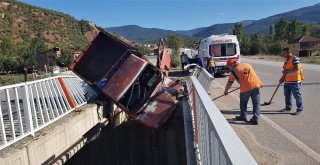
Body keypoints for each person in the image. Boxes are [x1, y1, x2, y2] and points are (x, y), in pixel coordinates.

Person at [224, 59, 263, 125]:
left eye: (228, 66)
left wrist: (226, 91)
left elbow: (230, 83)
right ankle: (255, 119)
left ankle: (243, 116)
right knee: (256, 104)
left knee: (243, 103)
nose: (228, 67)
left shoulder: (233, 71)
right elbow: (248, 75)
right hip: (256, 85)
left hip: (245, 89)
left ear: (232, 65)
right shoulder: (247, 64)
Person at [279, 47, 304, 115]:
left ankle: (299, 109)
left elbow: (297, 67)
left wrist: (287, 71)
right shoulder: (287, 60)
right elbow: (285, 71)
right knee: (287, 96)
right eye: (282, 53)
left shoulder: (295, 58)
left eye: (284, 53)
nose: (283, 54)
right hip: (287, 82)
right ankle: (288, 108)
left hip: (295, 82)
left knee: (297, 96)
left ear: (288, 52)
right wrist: (282, 78)